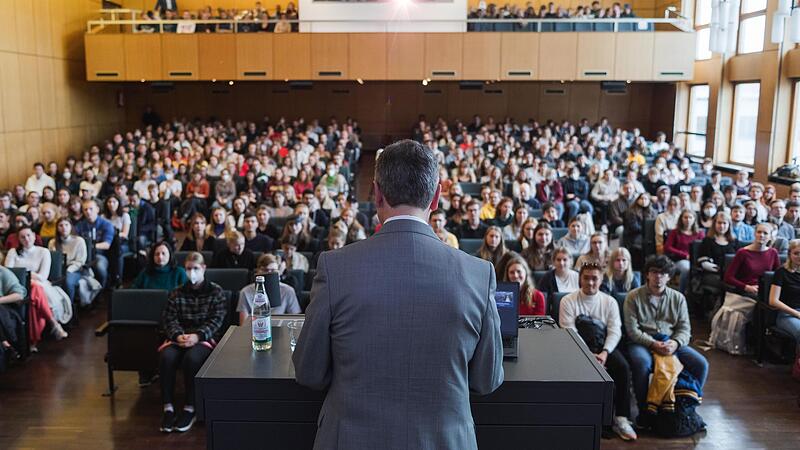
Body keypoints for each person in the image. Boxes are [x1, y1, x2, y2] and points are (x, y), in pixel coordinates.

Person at [293, 139, 503, 450]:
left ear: (376, 193)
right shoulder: (479, 273)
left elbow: (309, 372)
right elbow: (486, 379)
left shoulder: (335, 267)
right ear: (436, 196)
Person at [623, 255, 709, 426]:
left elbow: (685, 329)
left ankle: (687, 406)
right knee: (641, 364)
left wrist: (675, 343)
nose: (658, 277)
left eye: (663, 273)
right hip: (643, 342)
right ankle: (645, 411)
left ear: (669, 276)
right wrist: (653, 343)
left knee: (701, 363)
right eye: (654, 272)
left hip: (670, 341)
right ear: (647, 274)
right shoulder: (633, 296)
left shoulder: (678, 298)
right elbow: (632, 330)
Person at [560, 263, 637, 441]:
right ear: (580, 278)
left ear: (601, 279)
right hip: (578, 349)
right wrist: (588, 355)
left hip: (604, 348)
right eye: (586, 278)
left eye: (594, 278)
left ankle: (621, 417)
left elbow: (615, 330)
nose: (590, 282)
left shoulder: (609, 301)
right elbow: (569, 330)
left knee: (623, 367)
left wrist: (604, 353)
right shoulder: (568, 300)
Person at [159, 252, 227, 433]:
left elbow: (216, 320)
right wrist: (177, 335)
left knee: (192, 359)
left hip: (203, 338)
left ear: (203, 268)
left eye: (195, 268)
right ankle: (168, 407)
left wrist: (197, 336)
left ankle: (191, 407)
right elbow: (169, 319)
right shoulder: (176, 292)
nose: (192, 272)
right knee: (166, 357)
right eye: (188, 269)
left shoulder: (216, 291)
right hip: (180, 338)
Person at [5, 226, 70, 349]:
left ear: (34, 236)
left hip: (41, 285)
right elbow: (9, 274)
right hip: (18, 286)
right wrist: (29, 276)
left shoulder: (43, 252)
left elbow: (43, 276)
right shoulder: (12, 252)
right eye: (22, 237)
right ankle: (53, 323)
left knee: (34, 300)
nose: (26, 239)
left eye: (29, 235)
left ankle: (33, 341)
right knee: (35, 288)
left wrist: (24, 274)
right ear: (19, 239)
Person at [237, 254, 302, 323]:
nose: (269, 274)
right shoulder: (245, 292)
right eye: (265, 270)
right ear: (258, 271)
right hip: (255, 329)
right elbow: (243, 324)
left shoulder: (288, 291)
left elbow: (295, 320)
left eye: (273, 271)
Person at [724, 222, 781, 297]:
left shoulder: (773, 252)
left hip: (766, 291)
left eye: (765, 233)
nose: (761, 235)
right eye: (759, 232)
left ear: (770, 237)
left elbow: (778, 276)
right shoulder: (742, 252)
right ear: (754, 234)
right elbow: (728, 277)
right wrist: (746, 287)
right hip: (746, 292)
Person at [768, 239, 800, 352]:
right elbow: (773, 301)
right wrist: (797, 314)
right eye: (796, 253)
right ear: (789, 254)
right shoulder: (781, 272)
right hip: (787, 315)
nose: (799, 256)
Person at [48, 218, 89, 304]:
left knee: (68, 281)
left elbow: (80, 261)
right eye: (61, 225)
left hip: (75, 269)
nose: (64, 228)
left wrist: (68, 270)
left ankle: (69, 305)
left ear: (71, 227)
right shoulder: (52, 242)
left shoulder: (79, 241)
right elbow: (53, 260)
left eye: (66, 225)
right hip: (58, 270)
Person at [74, 200, 115, 287]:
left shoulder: (106, 224)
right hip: (83, 256)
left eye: (91, 209)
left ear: (97, 209)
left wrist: (90, 246)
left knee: (100, 267)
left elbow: (106, 245)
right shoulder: (79, 225)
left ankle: (101, 290)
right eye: (85, 209)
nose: (88, 212)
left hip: (99, 255)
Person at [664, 209, 705, 292]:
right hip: (679, 260)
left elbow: (703, 248)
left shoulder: (700, 233)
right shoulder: (675, 232)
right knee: (686, 268)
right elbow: (667, 247)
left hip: (696, 260)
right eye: (685, 217)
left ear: (694, 219)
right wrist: (684, 255)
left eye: (690, 217)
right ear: (681, 219)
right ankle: (682, 293)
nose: (688, 220)